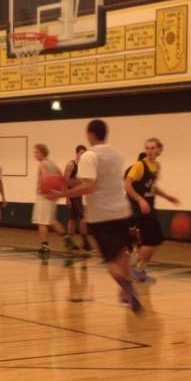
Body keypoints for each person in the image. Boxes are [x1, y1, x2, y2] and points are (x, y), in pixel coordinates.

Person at [49, 119, 141, 313]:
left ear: (90, 134)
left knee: (110, 262)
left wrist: (62, 193)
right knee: (122, 252)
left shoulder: (89, 156)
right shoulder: (117, 154)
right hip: (122, 211)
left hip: (101, 215)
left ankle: (126, 286)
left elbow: (89, 186)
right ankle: (128, 286)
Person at [125, 137, 180, 283]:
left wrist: (167, 196)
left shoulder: (156, 166)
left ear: (159, 150)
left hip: (150, 207)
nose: (149, 151)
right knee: (150, 242)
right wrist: (140, 200)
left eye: (152, 148)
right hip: (140, 209)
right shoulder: (139, 166)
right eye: (147, 148)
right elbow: (127, 185)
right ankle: (133, 267)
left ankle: (140, 270)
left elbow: (152, 187)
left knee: (157, 241)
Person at [32, 143, 67, 255]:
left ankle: (44, 246)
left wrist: (44, 191)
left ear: (42, 153)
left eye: (36, 152)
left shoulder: (43, 164)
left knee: (42, 222)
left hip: (44, 196)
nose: (35, 154)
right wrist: (58, 191)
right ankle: (67, 238)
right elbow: (61, 176)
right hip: (53, 196)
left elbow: (46, 178)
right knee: (51, 220)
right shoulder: (52, 163)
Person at [63, 145, 91, 252]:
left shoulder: (84, 166)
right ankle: (85, 241)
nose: (83, 155)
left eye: (85, 153)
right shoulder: (71, 164)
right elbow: (65, 180)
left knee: (73, 219)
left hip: (79, 195)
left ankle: (69, 243)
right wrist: (67, 198)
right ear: (77, 153)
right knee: (83, 217)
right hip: (72, 195)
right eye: (81, 153)